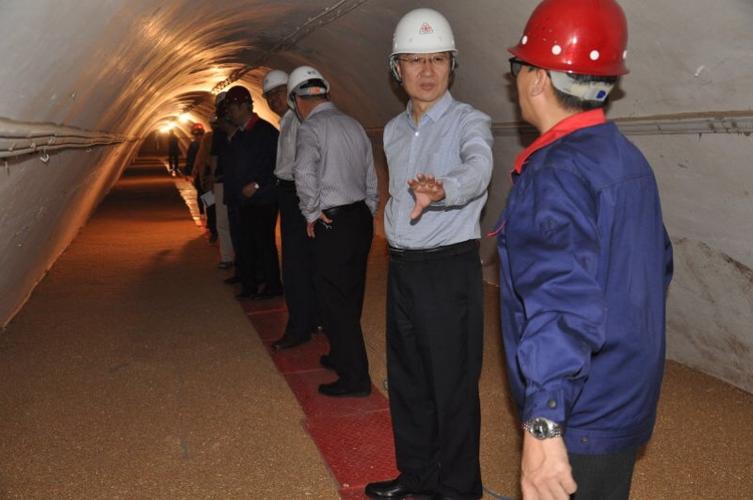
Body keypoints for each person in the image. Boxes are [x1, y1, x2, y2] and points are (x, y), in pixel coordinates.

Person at [496, 1, 674, 499]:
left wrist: (544, 424)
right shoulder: (627, 158)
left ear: (537, 79)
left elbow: (560, 299)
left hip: (581, 409)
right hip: (625, 393)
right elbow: (657, 265)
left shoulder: (553, 173)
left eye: (519, 65)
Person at [365, 8, 493, 500]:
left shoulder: (470, 122)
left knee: (452, 385)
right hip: (403, 268)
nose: (426, 71)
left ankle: (459, 488)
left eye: (437, 59)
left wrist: (443, 190)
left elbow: (478, 168)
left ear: (451, 65)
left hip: (447, 269)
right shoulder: (393, 131)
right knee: (409, 379)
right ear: (396, 68)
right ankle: (417, 473)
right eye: (415, 60)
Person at [289, 65, 378, 397]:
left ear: (298, 101)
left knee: (333, 299)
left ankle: (355, 378)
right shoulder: (353, 124)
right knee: (351, 293)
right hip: (359, 217)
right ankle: (340, 354)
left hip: (333, 220)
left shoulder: (311, 128)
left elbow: (303, 173)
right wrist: (368, 208)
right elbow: (370, 173)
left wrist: (311, 212)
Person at [262, 69, 320, 350]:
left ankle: (300, 327)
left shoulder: (299, 120)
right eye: (269, 96)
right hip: (288, 192)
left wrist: (307, 205)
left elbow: (305, 166)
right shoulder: (287, 121)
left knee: (296, 265)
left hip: (296, 193)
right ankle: (312, 318)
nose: (274, 99)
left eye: (278, 92)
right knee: (303, 262)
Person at [223, 85, 283, 299]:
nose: (229, 114)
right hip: (245, 201)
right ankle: (251, 285)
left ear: (243, 107)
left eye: (232, 109)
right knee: (247, 243)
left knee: (263, 243)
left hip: (263, 199)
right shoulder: (240, 135)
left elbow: (277, 164)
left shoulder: (266, 132)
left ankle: (273, 285)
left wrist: (257, 184)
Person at [210, 92, 235, 268]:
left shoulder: (220, 132)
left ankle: (228, 257)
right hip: (229, 179)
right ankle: (231, 256)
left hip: (225, 180)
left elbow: (214, 157)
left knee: (224, 221)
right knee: (229, 221)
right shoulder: (223, 131)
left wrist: (212, 178)